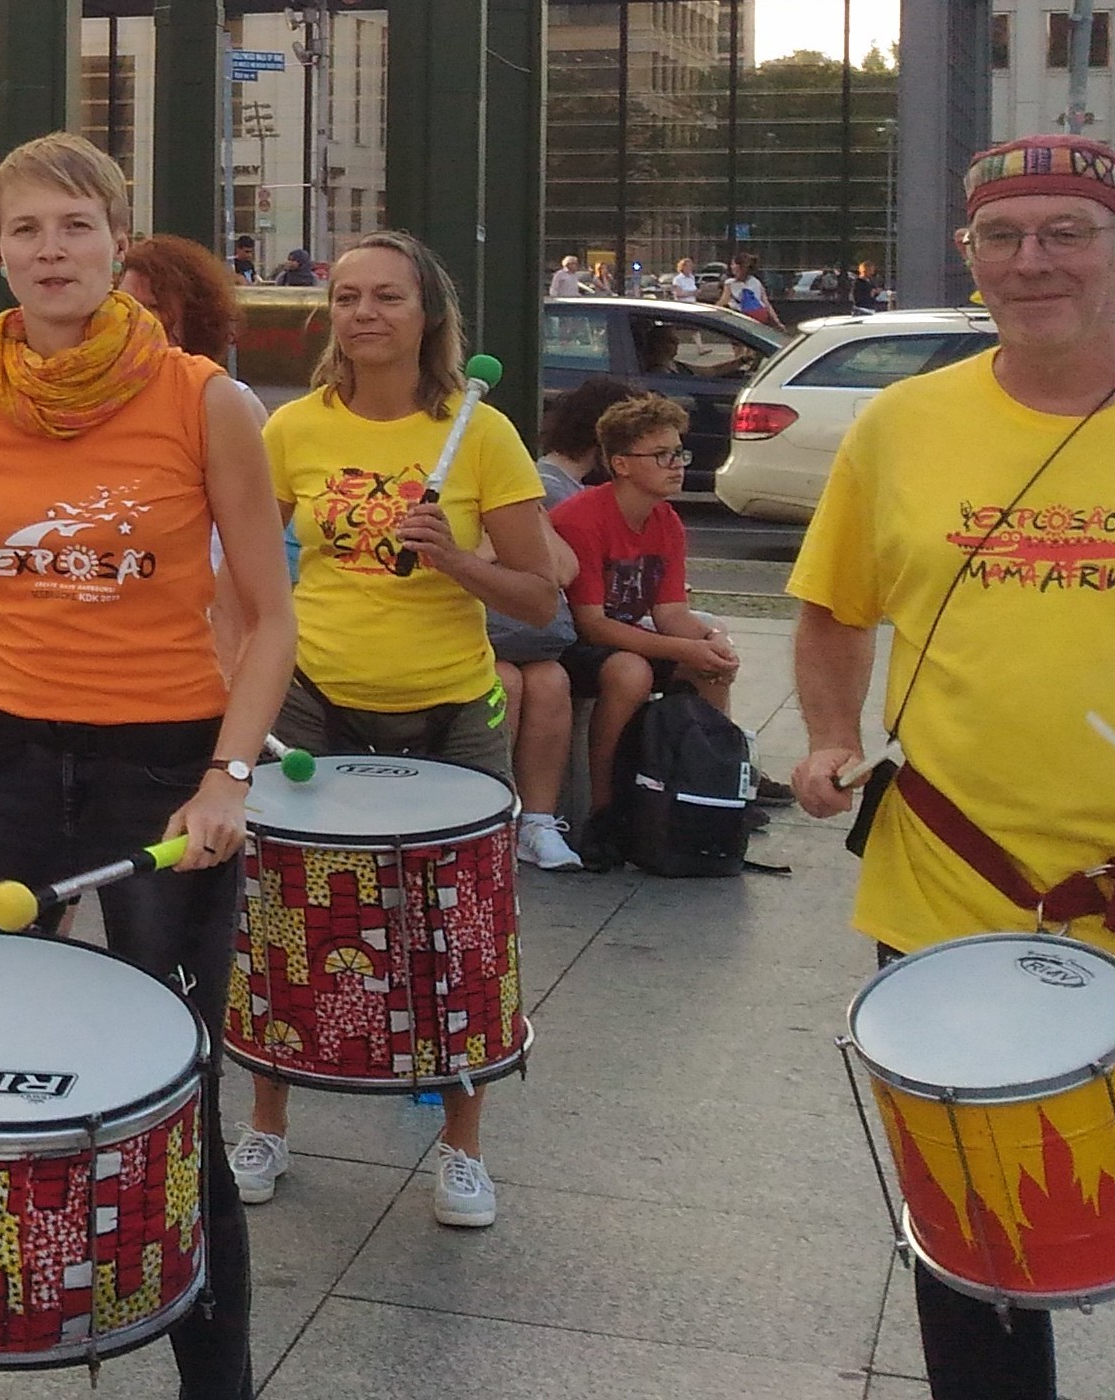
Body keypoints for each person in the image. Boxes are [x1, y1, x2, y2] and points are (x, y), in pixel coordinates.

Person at [0, 131, 294, 1400]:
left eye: (75, 227)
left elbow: (266, 617)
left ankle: (217, 1377)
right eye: (25, 230)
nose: (51, 252)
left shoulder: (205, 399)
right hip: (1, 761)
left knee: (172, 1084)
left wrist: (229, 780)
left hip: (163, 763)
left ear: (117, 238)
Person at [791, 133, 1115, 1400]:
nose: (1033, 261)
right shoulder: (902, 424)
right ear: (967, 257)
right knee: (976, 1243)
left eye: (1066, 232)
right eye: (1002, 236)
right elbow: (830, 604)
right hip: (954, 891)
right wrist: (827, 735)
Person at [245, 228, 569, 1229]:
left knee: (457, 933)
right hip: (313, 704)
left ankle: (461, 1149)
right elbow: (248, 575)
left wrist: (456, 560)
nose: (364, 314)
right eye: (346, 297)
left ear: (427, 313)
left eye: (386, 296)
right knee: (283, 925)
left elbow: (543, 587)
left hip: (448, 713)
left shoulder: (483, 431)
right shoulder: (290, 428)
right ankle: (266, 1121)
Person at [554, 394, 744, 831]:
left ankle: (713, 786)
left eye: (679, 452)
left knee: (711, 664)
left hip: (623, 637)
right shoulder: (583, 518)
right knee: (630, 672)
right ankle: (605, 809)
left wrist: (708, 643)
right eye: (661, 455)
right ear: (621, 464)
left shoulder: (666, 521)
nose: (676, 464)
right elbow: (592, 624)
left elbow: (671, 611)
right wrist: (683, 647)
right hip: (569, 642)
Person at [502, 376, 661, 870]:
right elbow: (561, 573)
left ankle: (538, 822)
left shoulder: (544, 494)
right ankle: (497, 818)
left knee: (548, 681)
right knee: (505, 682)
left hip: (537, 636)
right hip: (495, 630)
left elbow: (564, 566)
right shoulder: (548, 488)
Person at [124, 233, 243, 367]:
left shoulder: (213, 387)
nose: (134, 317)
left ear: (194, 319)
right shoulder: (101, 382)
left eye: (153, 307)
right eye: (126, 303)